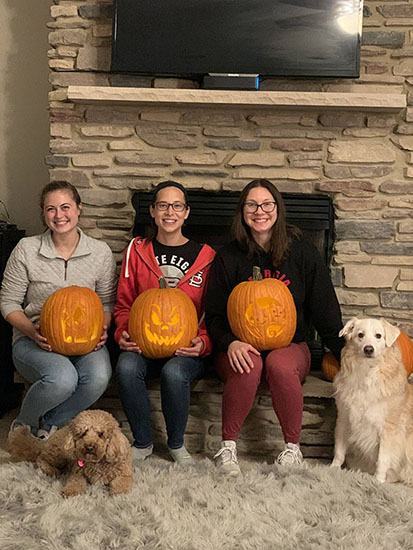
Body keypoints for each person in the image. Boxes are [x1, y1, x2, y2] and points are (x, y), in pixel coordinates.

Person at [205, 179, 343, 476]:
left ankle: (293, 448)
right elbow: (214, 316)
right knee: (248, 364)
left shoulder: (303, 254)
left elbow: (325, 312)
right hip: (238, 345)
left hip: (290, 344)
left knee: (279, 364)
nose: (260, 211)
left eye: (267, 204)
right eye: (251, 205)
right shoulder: (228, 257)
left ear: (277, 209)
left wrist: (347, 357)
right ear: (242, 211)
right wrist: (230, 342)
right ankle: (228, 448)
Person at [0, 181, 117, 439]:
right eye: (50, 209)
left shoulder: (100, 253)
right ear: (44, 213)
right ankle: (24, 425)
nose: (59, 215)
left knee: (99, 377)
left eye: (65, 207)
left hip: (85, 342)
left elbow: (106, 302)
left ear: (78, 209)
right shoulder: (27, 249)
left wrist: (102, 328)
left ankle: (51, 423)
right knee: (62, 378)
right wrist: (32, 332)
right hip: (34, 340)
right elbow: (8, 303)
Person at [114, 181, 216, 466]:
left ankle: (175, 443)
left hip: (186, 349)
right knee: (125, 367)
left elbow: (214, 311)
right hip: (143, 342)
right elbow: (124, 304)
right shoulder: (136, 250)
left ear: (186, 213)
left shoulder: (206, 257)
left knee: (174, 373)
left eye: (177, 206)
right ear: (153, 211)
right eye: (163, 205)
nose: (169, 212)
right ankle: (143, 442)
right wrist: (122, 332)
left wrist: (204, 342)